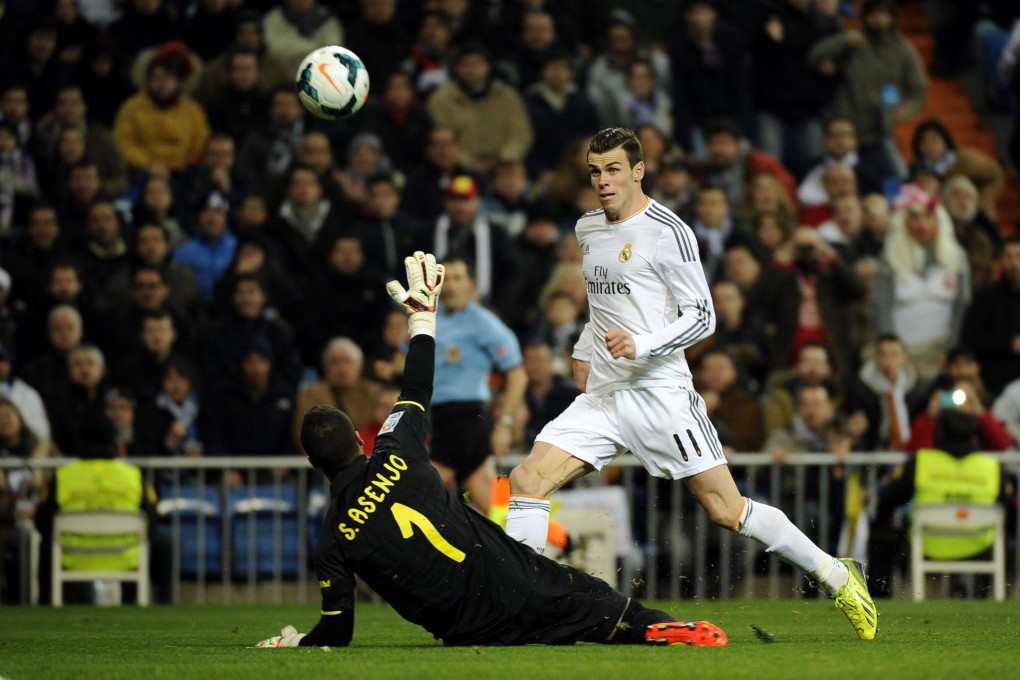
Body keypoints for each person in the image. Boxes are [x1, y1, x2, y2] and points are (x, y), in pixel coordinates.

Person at [503, 127, 877, 640]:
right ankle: (518, 609)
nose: (603, 181)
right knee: (525, 482)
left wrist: (644, 344)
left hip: (662, 396)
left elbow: (703, 318)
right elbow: (600, 305)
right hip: (606, 397)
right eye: (595, 171)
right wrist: (582, 351)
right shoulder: (587, 227)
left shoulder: (668, 231)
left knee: (726, 509)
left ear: (638, 171)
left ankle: (837, 574)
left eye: (613, 169)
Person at [255, 251, 728, 649]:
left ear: (313, 463)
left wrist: (295, 642)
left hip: (469, 632)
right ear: (362, 438)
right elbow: (418, 381)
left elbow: (337, 632)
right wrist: (421, 319)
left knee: (540, 589)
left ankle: (590, 602)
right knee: (595, 604)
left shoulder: (332, 538)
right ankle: (652, 626)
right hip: (514, 581)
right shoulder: (395, 450)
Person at [867, 407, 1010, 598]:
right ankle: (990, 596)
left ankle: (879, 597)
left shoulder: (921, 463)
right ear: (974, 435)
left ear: (939, 431)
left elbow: (889, 499)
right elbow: (1006, 506)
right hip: (978, 544)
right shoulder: (991, 467)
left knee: (882, 532)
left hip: (928, 543)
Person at [430, 257, 526, 515]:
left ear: (471, 284)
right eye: (444, 279)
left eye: (457, 278)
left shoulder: (483, 323)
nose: (450, 285)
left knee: (421, 493)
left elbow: (518, 375)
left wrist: (505, 424)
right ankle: (555, 543)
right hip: (439, 419)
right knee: (495, 510)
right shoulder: (431, 319)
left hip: (465, 419)